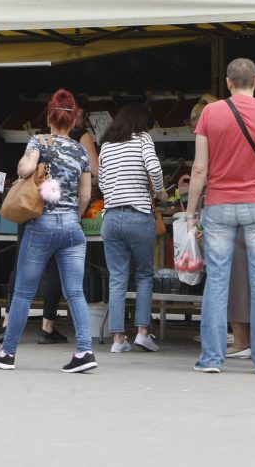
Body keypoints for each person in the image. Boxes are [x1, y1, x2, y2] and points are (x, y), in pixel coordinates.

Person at [184, 58, 255, 374]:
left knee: (217, 280)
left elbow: (200, 168)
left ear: (228, 83)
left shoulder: (210, 114)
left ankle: (211, 359)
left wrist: (191, 212)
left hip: (219, 205)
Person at [0, 89, 96, 372]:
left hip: (41, 226)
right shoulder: (82, 150)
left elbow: (25, 171)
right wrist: (73, 216)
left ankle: (7, 352)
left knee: (23, 292)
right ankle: (84, 352)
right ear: (73, 122)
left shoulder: (39, 141)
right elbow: (85, 195)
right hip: (72, 227)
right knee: (75, 293)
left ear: (49, 117)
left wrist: (28, 161)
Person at [98, 103, 166, 353]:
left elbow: (103, 183)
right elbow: (155, 167)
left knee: (117, 278)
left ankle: (117, 339)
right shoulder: (142, 139)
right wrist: (159, 191)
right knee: (144, 275)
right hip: (139, 215)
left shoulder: (106, 146)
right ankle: (142, 332)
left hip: (112, 218)